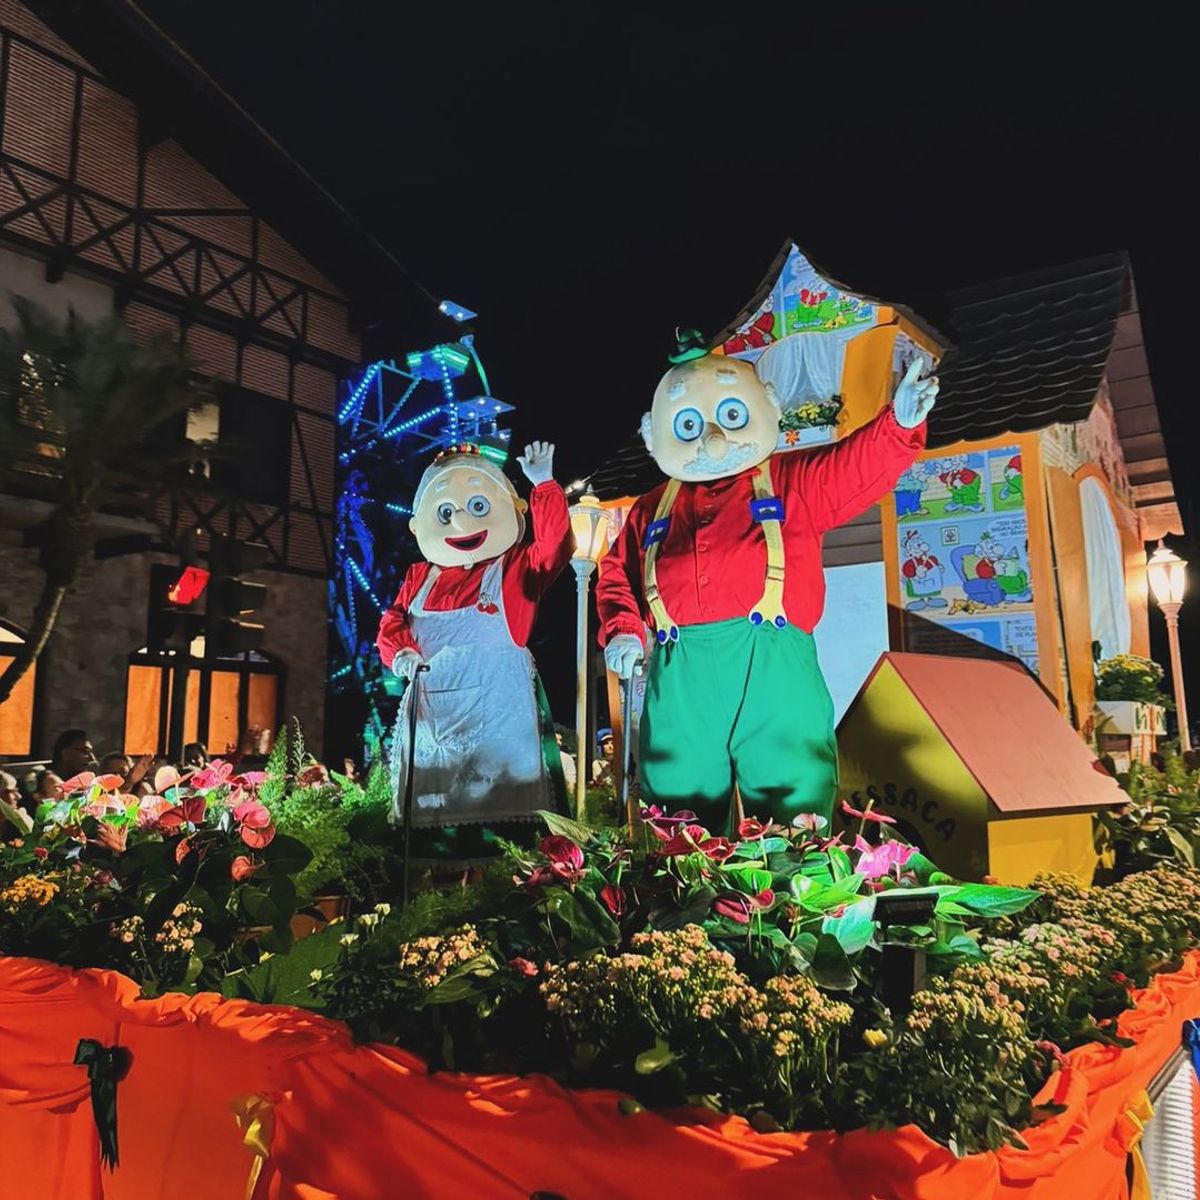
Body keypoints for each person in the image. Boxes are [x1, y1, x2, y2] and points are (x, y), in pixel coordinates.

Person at [598, 330, 937, 833]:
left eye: (730, 416)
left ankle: (788, 905)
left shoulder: (790, 481)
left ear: (765, 407)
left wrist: (899, 424)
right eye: (689, 425)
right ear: (655, 436)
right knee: (676, 804)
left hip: (773, 668)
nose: (712, 439)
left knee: (790, 795)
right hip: (680, 673)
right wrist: (624, 628)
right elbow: (616, 573)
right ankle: (681, 904)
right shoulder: (651, 509)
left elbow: (854, 467)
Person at [377, 440, 573, 871]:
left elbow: (555, 551)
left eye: (478, 505)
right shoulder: (419, 578)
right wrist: (401, 653)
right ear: (418, 525)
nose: (461, 520)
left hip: (501, 713)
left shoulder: (512, 567)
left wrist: (545, 488)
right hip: (435, 719)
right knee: (436, 815)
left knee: (510, 824)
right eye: (445, 512)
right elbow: (392, 622)